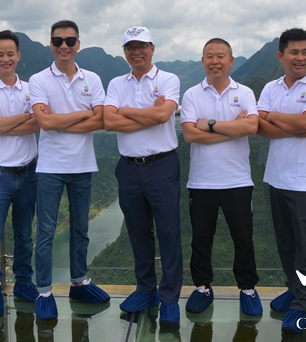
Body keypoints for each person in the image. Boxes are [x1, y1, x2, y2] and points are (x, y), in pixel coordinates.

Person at [29, 20, 109, 320]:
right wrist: (82, 114)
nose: (64, 46)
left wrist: (60, 121)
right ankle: (43, 290)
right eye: (58, 41)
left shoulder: (93, 78)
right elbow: (45, 122)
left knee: (80, 228)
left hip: (83, 164)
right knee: (46, 231)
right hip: (50, 167)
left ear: (78, 44)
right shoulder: (39, 79)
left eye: (70, 40)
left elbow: (101, 120)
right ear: (51, 44)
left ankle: (79, 281)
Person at [104, 26, 183, 325]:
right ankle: (146, 289)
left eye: (141, 46)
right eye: (130, 47)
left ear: (152, 48)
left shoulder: (168, 79)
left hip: (162, 165)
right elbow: (109, 122)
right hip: (128, 167)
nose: (136, 52)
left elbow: (163, 115)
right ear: (125, 52)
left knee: (168, 232)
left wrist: (125, 110)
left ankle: (170, 297)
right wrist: (147, 114)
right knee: (138, 231)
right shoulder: (116, 83)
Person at [257, 28, 306, 333]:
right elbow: (258, 126)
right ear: (281, 56)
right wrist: (293, 126)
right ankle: (294, 289)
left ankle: (304, 303)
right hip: (276, 175)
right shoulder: (271, 87)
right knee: (286, 242)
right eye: (294, 52)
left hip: (305, 179)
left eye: (305, 52)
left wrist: (274, 116)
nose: (300, 58)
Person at [180, 38, 262, 316]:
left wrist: (210, 125)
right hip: (201, 181)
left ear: (231, 60)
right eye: (209, 56)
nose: (215, 61)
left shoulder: (245, 92)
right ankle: (202, 286)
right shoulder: (192, 94)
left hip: (238, 181)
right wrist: (232, 127)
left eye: (220, 56)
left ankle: (247, 288)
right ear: (203, 60)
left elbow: (251, 127)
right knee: (201, 239)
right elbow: (189, 134)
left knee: (244, 238)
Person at [0, 30, 40, 318]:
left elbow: (39, 124)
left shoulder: (32, 89)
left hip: (28, 172)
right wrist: (24, 117)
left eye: (10, 53)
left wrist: (1, 123)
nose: (5, 59)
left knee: (24, 235)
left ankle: (24, 282)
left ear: (18, 56)